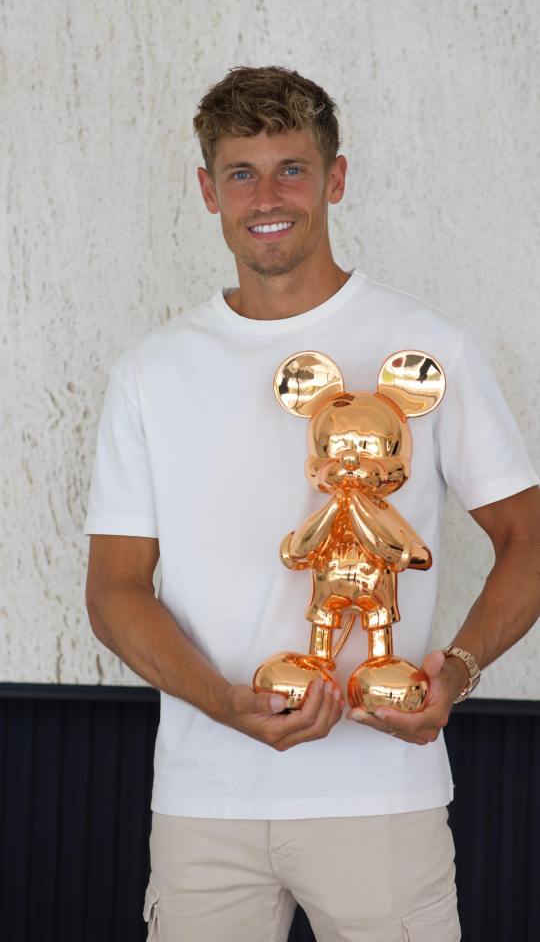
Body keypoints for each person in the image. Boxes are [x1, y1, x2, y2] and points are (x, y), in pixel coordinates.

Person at [84, 66, 540, 942]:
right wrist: (223, 705)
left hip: (380, 799)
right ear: (206, 188)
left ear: (335, 179)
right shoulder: (150, 373)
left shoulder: (428, 345)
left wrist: (461, 669)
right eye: (241, 172)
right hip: (205, 801)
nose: (267, 196)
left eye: (291, 168)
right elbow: (114, 591)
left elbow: (526, 537)